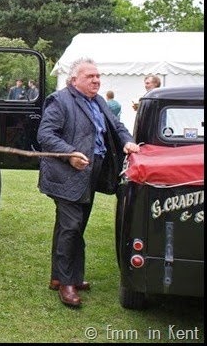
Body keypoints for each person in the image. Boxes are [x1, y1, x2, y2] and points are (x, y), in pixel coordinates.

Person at [37, 57, 140, 308]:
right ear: (74, 80)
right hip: (66, 175)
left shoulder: (99, 101)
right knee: (71, 227)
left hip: (92, 174)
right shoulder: (60, 100)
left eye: (98, 76)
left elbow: (117, 126)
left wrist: (128, 141)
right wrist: (70, 153)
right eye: (90, 76)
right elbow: (45, 135)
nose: (96, 80)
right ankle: (67, 283)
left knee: (73, 226)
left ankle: (61, 277)